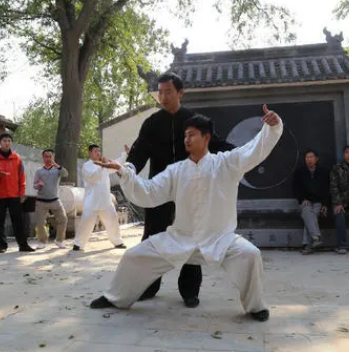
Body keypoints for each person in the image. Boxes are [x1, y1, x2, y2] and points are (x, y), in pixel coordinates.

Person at [90, 106, 282, 322]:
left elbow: (254, 150)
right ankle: (114, 297)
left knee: (250, 254)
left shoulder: (227, 163)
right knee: (133, 256)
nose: (186, 139)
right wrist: (124, 172)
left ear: (206, 138)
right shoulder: (177, 170)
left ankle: (256, 306)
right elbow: (150, 191)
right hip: (180, 238)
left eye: (191, 135)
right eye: (185, 135)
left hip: (220, 238)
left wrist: (272, 128)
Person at [126, 72, 235, 308]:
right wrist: (127, 169)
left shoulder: (194, 121)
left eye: (168, 91)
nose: (163, 97)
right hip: (160, 189)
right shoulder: (152, 123)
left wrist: (245, 153)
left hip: (191, 190)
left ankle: (190, 291)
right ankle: (148, 286)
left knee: (191, 238)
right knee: (153, 237)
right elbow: (138, 152)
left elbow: (217, 145)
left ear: (180, 93)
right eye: (160, 92)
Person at [0, 133, 34, 253]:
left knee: (18, 221)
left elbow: (22, 176)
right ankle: (2, 246)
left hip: (14, 195)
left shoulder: (17, 158)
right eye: (4, 141)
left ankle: (23, 245)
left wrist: (22, 192)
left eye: (9, 141)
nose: (7, 143)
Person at [72, 144, 127, 251]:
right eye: (95, 151)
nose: (98, 153)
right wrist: (103, 166)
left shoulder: (105, 165)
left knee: (112, 221)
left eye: (99, 151)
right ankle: (78, 244)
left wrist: (125, 154)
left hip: (105, 201)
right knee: (86, 223)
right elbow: (93, 178)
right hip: (91, 201)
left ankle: (118, 242)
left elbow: (116, 164)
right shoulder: (87, 166)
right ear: (90, 152)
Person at [293, 150, 330, 254]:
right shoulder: (299, 172)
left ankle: (307, 245)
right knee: (306, 211)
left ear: (316, 159)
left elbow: (327, 189)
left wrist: (325, 204)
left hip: (318, 202)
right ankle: (316, 237)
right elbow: (295, 189)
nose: (309, 159)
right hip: (305, 201)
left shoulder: (323, 172)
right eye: (307, 157)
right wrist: (302, 199)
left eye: (311, 157)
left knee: (310, 216)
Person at [33, 149, 69, 249]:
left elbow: (66, 174)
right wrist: (39, 185)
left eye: (50, 156)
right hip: (41, 201)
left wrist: (57, 166)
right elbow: (34, 185)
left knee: (63, 219)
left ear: (53, 157)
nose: (48, 159)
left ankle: (59, 240)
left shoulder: (57, 170)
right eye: (46, 157)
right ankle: (42, 241)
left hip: (55, 200)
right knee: (40, 223)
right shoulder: (39, 171)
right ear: (43, 158)